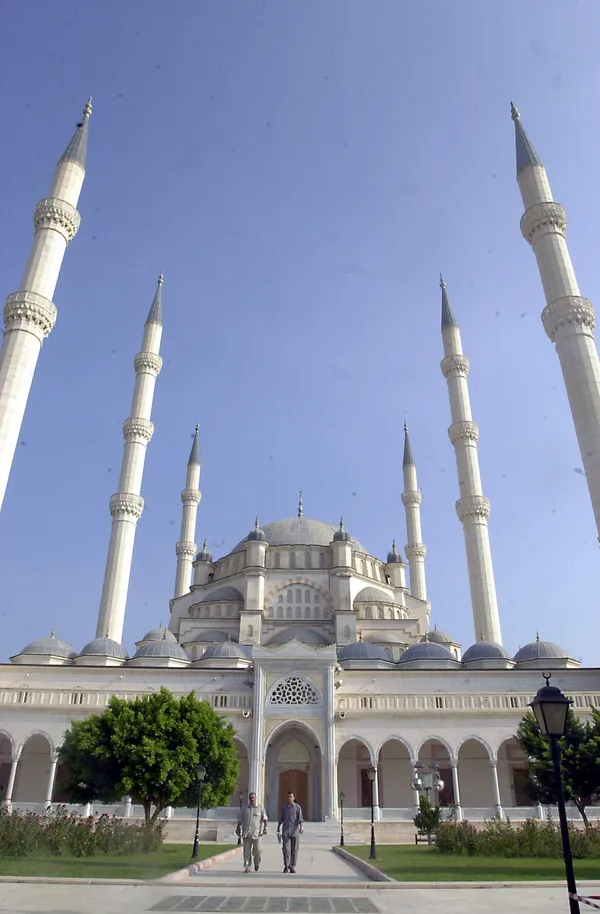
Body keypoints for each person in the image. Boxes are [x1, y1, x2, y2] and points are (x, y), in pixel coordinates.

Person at [236, 791, 268, 873]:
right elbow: (240, 820)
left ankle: (256, 862)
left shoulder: (260, 808)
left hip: (257, 834)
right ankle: (247, 866)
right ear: (249, 799)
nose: (252, 799)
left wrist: (265, 828)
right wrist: (237, 828)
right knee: (246, 852)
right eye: (251, 798)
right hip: (246, 834)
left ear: (255, 798)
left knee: (257, 850)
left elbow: (265, 819)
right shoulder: (244, 809)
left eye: (253, 798)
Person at [276, 790, 304, 873]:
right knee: (286, 849)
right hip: (286, 831)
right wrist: (278, 828)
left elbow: (300, 819)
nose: (289, 798)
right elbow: (280, 819)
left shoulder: (297, 807)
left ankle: (292, 866)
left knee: (294, 850)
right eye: (288, 797)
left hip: (295, 832)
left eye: (291, 797)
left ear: (294, 798)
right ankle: (286, 865)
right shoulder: (284, 807)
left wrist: (301, 827)